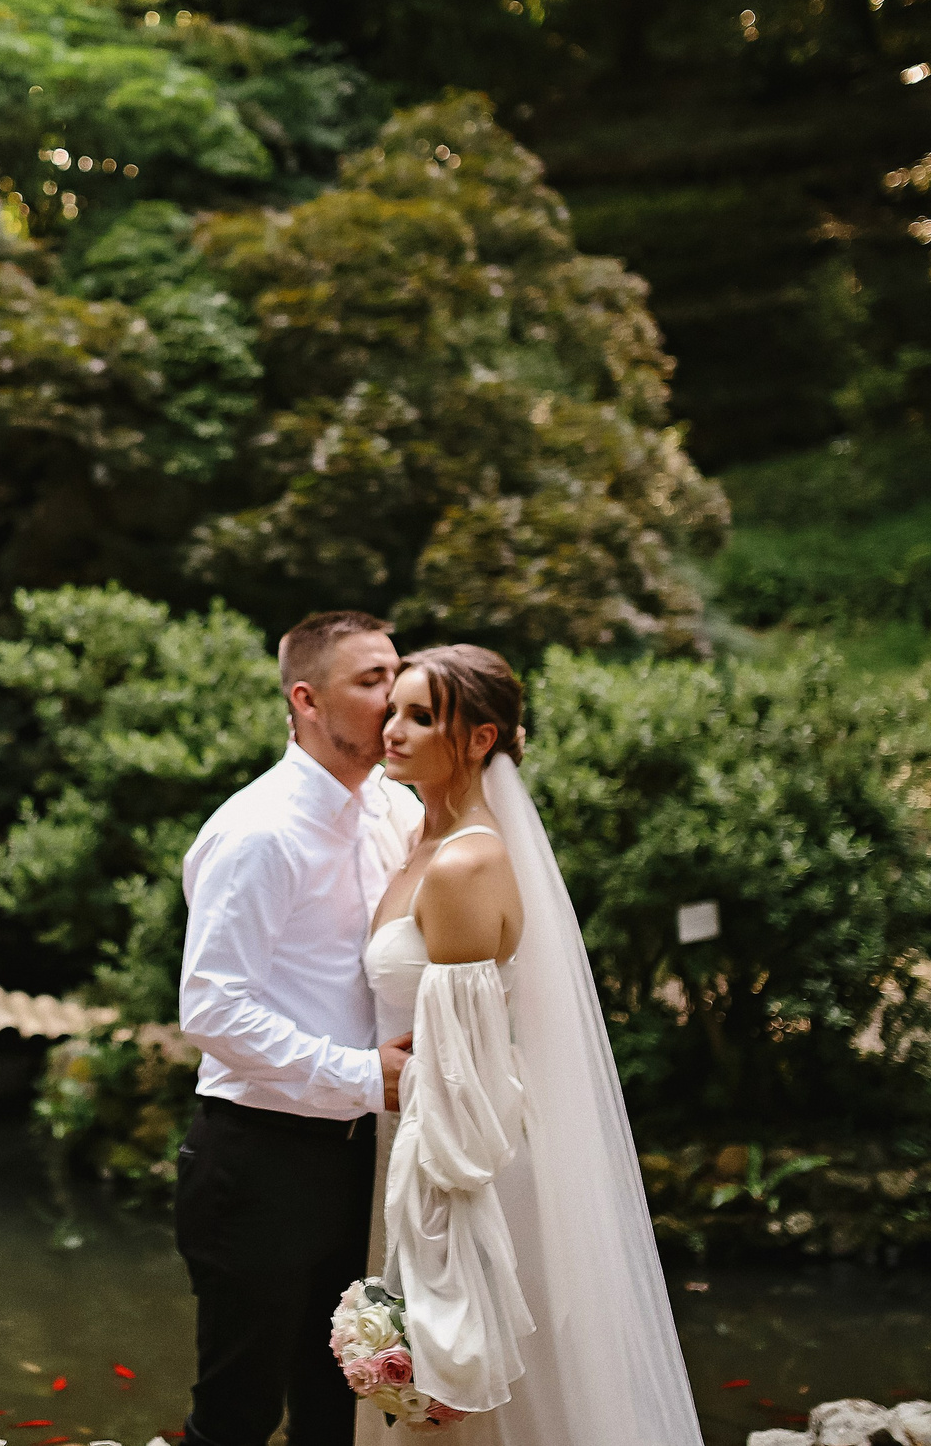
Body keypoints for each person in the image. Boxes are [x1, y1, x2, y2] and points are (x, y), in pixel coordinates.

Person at [356, 645, 702, 1446]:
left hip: (464, 1163)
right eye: (392, 710)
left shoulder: (465, 862)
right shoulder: (420, 837)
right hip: (420, 1131)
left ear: (479, 739)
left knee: (473, 1394)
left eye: (420, 715)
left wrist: (440, 1221)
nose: (393, 730)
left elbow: (468, 1078)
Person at [174, 610, 420, 1446]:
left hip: (366, 1162)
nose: (396, 698)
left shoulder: (393, 811)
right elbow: (211, 1006)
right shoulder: (259, 830)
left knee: (339, 1406)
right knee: (238, 1413)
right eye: (372, 681)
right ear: (307, 699)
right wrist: (362, 1073)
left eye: (397, 673)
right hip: (258, 1163)